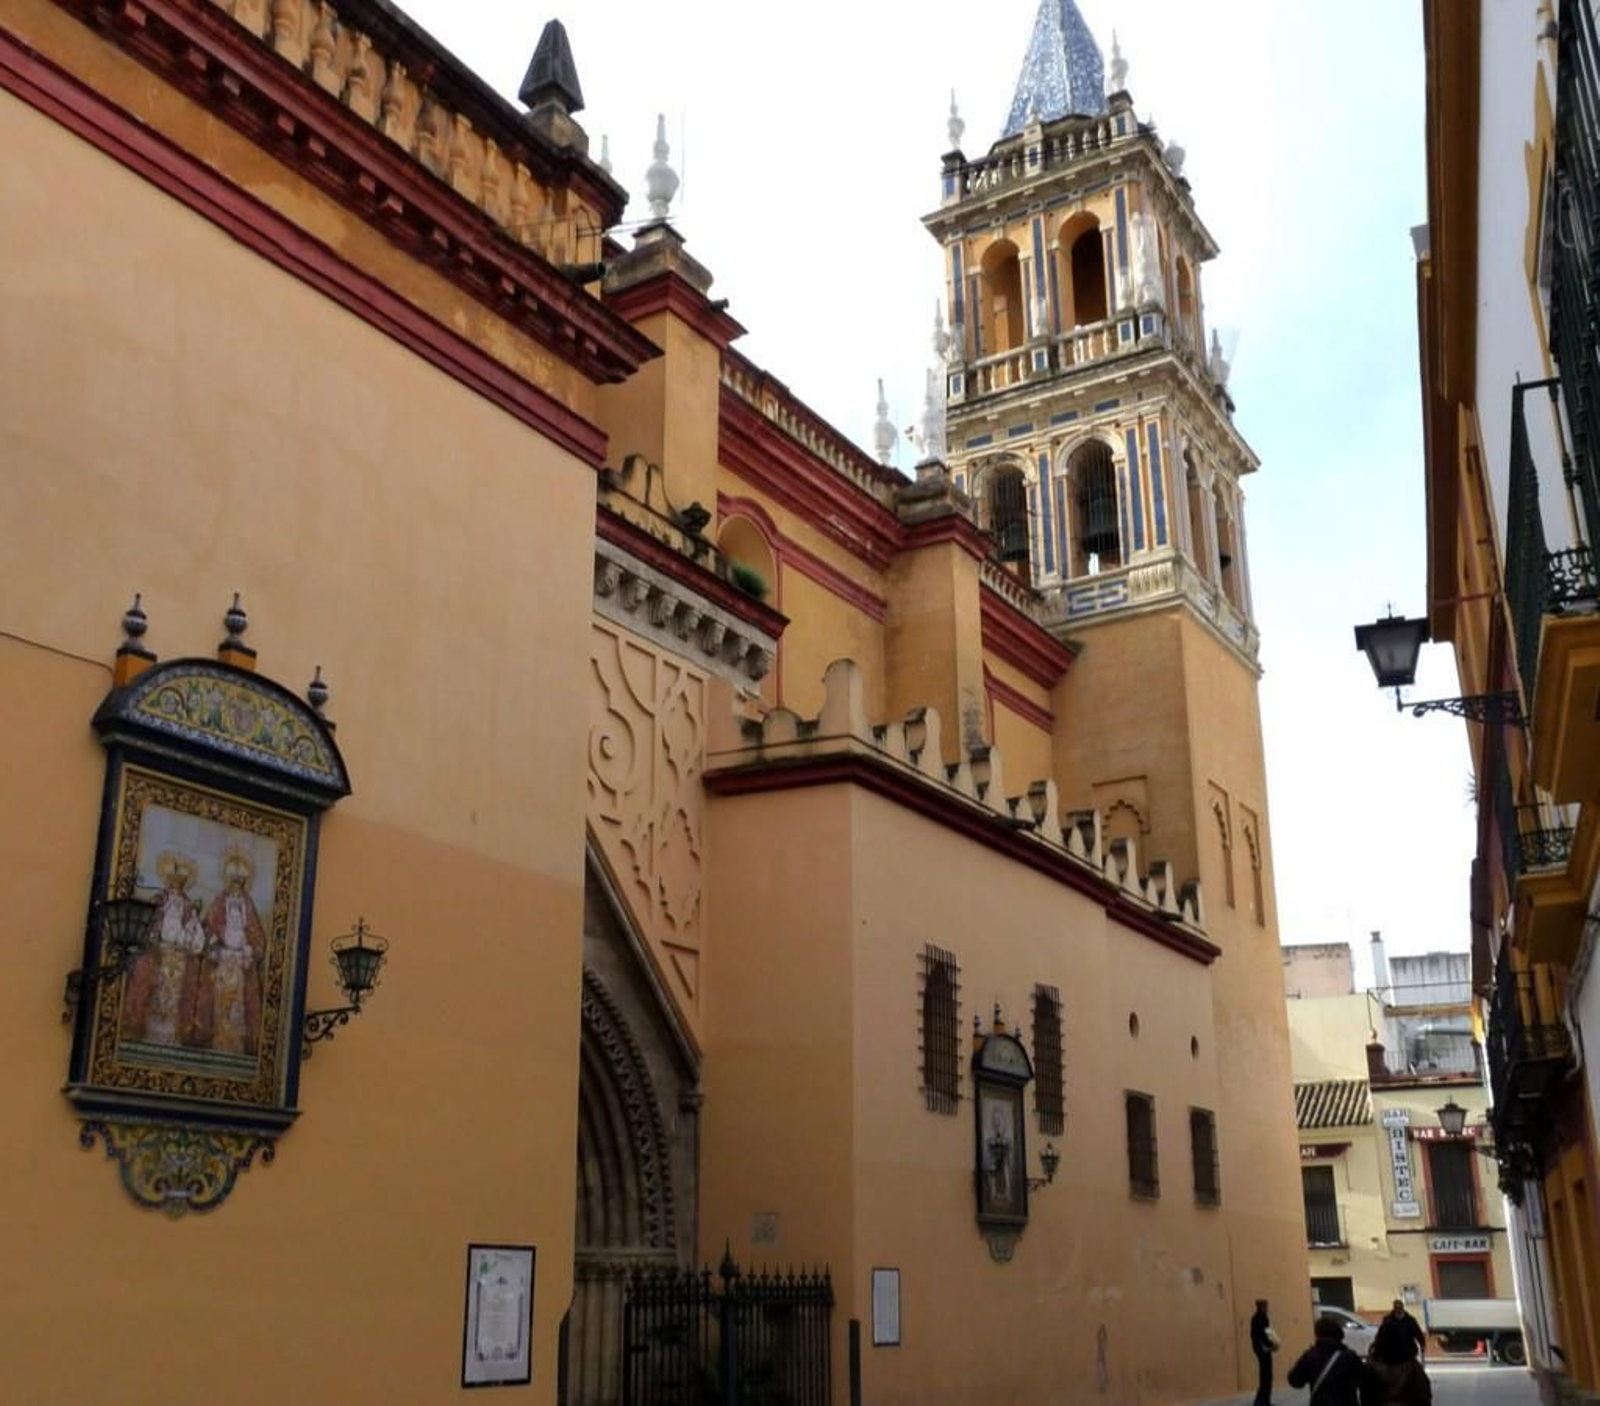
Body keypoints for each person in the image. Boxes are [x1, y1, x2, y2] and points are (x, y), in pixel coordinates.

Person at [1286, 1316, 1368, 1406]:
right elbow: (1364, 1381)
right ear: (1339, 1335)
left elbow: (1296, 1382)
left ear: (1318, 1334)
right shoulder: (1350, 1357)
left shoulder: (1310, 1356)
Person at [1371, 1300, 1427, 1364]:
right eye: (1397, 1308)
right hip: (1392, 1354)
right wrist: (1376, 1348)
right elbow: (1380, 1336)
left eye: (1400, 1308)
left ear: (1402, 1308)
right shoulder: (1388, 1320)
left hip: (1408, 1353)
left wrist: (1422, 1344)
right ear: (1394, 1309)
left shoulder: (1410, 1320)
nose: (1398, 1310)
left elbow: (1418, 1333)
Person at [1251, 1299, 1276, 1405]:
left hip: (1264, 1349)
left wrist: (1273, 1344)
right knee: (1266, 1376)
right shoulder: (1258, 1318)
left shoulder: (1262, 1317)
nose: (1267, 1307)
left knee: (1267, 1376)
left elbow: (1267, 1333)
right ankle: (1261, 1402)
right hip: (1263, 1350)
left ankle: (1264, 1401)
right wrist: (1264, 1347)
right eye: (1266, 1306)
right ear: (1261, 1306)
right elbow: (1258, 1336)